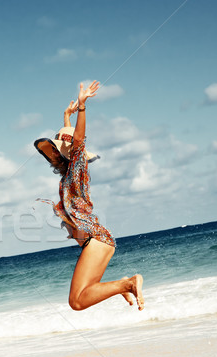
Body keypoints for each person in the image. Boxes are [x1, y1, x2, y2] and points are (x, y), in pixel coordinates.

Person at [34, 81, 144, 311]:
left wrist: (82, 108)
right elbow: (68, 144)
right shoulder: (68, 176)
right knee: (83, 296)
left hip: (96, 239)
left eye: (55, 149)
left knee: (76, 302)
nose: (53, 154)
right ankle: (123, 286)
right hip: (96, 241)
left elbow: (76, 143)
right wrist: (66, 117)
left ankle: (128, 284)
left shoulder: (76, 166)